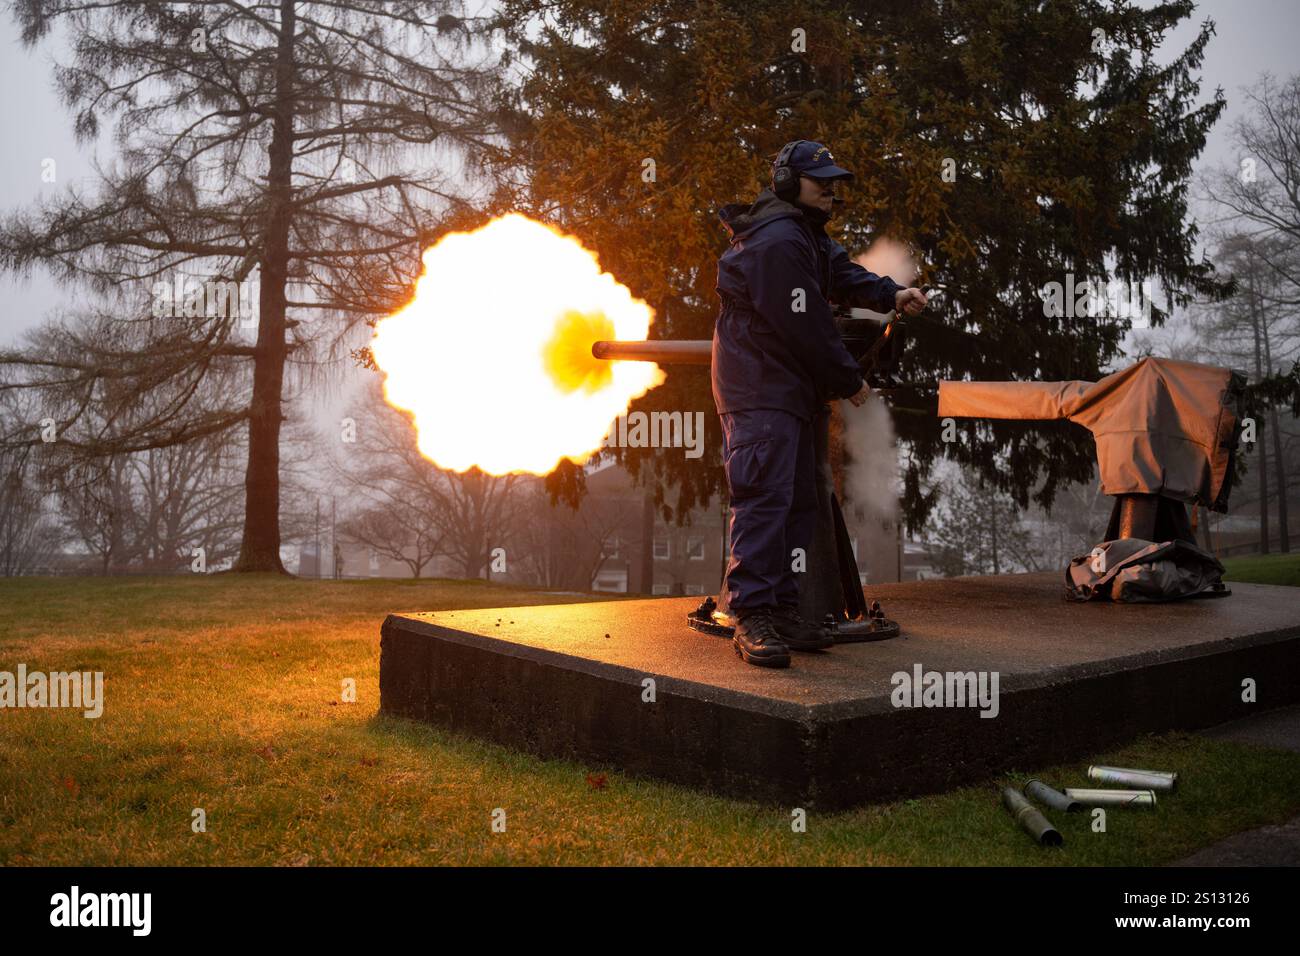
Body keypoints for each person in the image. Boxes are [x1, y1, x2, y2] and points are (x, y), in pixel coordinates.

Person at [712, 139, 927, 668]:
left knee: (797, 501)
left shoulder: (804, 234)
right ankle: (753, 615)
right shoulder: (780, 241)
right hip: (761, 388)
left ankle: (783, 610)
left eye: (834, 182)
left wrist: (890, 294)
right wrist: (847, 379)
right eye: (820, 182)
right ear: (788, 183)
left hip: (791, 389)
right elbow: (802, 324)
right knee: (764, 497)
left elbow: (842, 274)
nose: (831, 191)